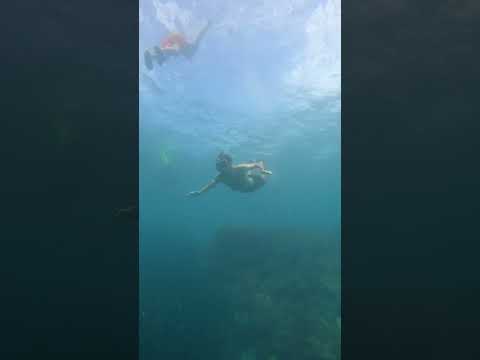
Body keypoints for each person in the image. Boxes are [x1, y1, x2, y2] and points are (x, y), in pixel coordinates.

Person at [187, 152, 273, 197]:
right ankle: (250, 165)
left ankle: (257, 161)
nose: (221, 167)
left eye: (223, 164)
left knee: (259, 168)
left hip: (256, 183)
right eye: (219, 165)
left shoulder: (240, 168)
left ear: (230, 163)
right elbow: (211, 185)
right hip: (244, 190)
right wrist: (199, 192)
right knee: (248, 170)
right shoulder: (220, 177)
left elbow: (256, 165)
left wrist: (262, 170)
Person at [144, 20, 211, 70]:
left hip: (173, 43)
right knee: (174, 52)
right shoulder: (190, 49)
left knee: (167, 56)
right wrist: (207, 26)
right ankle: (154, 56)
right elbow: (200, 36)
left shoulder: (189, 51)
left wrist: (207, 26)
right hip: (176, 42)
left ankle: (152, 57)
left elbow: (200, 36)